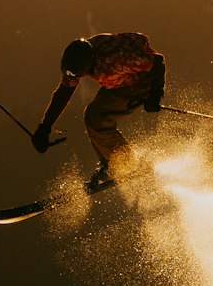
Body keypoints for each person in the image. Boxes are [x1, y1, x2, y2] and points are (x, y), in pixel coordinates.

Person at [32, 32, 166, 187]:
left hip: (141, 82)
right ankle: (112, 164)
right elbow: (64, 91)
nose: (76, 78)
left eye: (79, 75)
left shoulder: (115, 60)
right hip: (120, 81)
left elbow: (157, 61)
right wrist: (45, 126)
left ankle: (126, 165)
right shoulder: (79, 58)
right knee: (92, 116)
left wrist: (156, 92)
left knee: (98, 119)